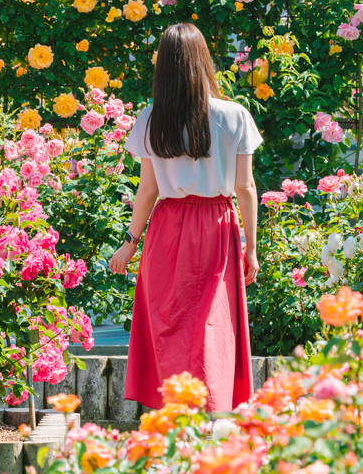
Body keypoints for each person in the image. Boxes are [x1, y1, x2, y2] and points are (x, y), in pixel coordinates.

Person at [110, 23, 261, 412]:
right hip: (217, 226)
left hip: (167, 227)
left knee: (169, 326)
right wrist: (251, 249)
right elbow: (245, 187)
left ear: (166, 68)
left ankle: (174, 421)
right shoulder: (235, 115)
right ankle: (213, 423)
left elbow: (148, 190)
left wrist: (129, 244)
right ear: (203, 61)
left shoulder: (149, 118)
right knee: (213, 328)